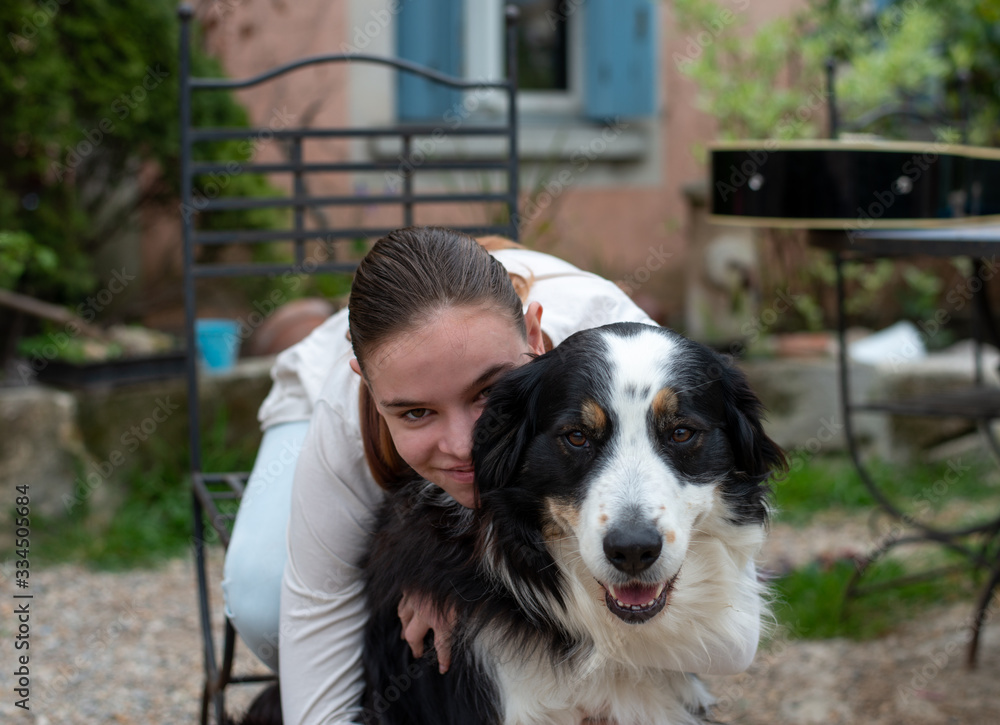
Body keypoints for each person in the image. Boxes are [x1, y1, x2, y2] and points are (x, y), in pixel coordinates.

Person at [221, 227, 762, 725]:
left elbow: (735, 647)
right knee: (264, 603)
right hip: (319, 387)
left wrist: (473, 595)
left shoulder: (636, 357)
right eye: (416, 411)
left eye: (486, 393)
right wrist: (425, 569)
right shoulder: (345, 406)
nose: (464, 448)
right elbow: (316, 606)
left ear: (534, 339)